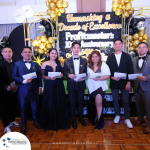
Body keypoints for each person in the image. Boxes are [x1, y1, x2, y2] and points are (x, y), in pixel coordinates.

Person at [12, 46, 42, 134]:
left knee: (35, 107)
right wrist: (24, 81)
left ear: (31, 54)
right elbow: (14, 76)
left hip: (34, 90)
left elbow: (39, 77)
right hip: (22, 91)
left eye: (29, 52)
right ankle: (23, 125)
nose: (27, 54)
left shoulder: (36, 64)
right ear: (22, 54)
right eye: (25, 52)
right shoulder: (17, 64)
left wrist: (40, 87)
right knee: (23, 108)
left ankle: (35, 121)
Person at [39, 48, 71, 131]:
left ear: (57, 55)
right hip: (49, 85)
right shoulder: (44, 63)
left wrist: (61, 75)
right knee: (49, 102)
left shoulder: (60, 63)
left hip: (58, 85)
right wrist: (48, 78)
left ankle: (60, 121)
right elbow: (42, 76)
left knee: (59, 101)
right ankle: (49, 121)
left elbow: (64, 74)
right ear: (49, 54)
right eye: (52, 53)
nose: (54, 55)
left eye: (55, 53)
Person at [106, 38, 133, 128]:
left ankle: (127, 118)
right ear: (113, 46)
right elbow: (107, 71)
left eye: (119, 44)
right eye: (115, 44)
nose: (117, 45)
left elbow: (130, 70)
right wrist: (111, 77)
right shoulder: (110, 58)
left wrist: (129, 82)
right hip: (114, 82)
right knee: (115, 100)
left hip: (125, 82)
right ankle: (117, 115)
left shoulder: (127, 56)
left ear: (122, 45)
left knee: (125, 100)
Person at [64, 41, 87, 129]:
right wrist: (69, 75)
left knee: (81, 103)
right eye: (75, 47)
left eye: (78, 47)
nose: (76, 49)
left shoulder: (84, 60)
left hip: (81, 84)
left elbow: (86, 72)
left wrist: (83, 77)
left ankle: (81, 118)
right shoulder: (67, 60)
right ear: (72, 49)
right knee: (72, 103)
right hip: (71, 85)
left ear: (80, 49)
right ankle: (73, 120)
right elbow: (65, 72)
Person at [86, 50, 110, 130]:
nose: (94, 58)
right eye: (93, 57)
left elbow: (108, 76)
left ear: (99, 57)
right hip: (92, 88)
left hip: (100, 87)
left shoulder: (103, 65)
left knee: (98, 103)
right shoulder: (88, 66)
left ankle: (100, 122)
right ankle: (95, 118)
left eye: (96, 56)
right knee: (94, 104)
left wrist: (99, 79)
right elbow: (87, 76)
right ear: (91, 58)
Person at [0, 47, 19, 134]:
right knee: (5, 108)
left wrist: (17, 84)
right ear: (2, 53)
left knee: (13, 105)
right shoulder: (0, 63)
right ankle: (6, 125)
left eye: (9, 52)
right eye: (5, 52)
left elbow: (19, 74)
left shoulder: (16, 62)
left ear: (12, 53)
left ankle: (12, 120)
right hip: (3, 89)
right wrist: (5, 86)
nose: (8, 53)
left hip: (14, 88)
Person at [132, 42, 150, 134]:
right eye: (140, 47)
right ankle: (140, 119)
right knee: (139, 105)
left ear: (147, 49)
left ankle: (149, 125)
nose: (142, 49)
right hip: (136, 86)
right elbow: (131, 72)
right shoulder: (134, 59)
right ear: (137, 49)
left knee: (148, 107)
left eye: (144, 47)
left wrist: (146, 78)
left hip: (147, 87)